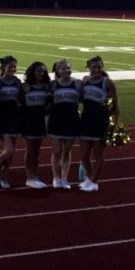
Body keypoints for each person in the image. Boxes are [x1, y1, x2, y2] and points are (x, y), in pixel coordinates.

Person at [79, 56, 118, 192]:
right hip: (86, 119)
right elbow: (81, 99)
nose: (97, 69)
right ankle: (89, 179)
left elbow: (115, 106)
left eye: (99, 67)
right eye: (94, 67)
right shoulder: (84, 81)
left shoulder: (107, 83)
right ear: (89, 68)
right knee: (84, 153)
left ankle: (94, 182)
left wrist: (114, 124)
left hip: (100, 120)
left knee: (97, 153)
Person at [47, 59, 81, 189]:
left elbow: (83, 98)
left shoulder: (78, 83)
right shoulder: (53, 84)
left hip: (72, 119)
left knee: (67, 151)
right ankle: (56, 178)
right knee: (57, 151)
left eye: (68, 68)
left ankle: (64, 178)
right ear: (57, 71)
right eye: (63, 69)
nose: (66, 71)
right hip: (57, 119)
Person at [0, 55, 22, 189]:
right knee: (9, 150)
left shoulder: (17, 82)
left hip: (14, 117)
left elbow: (20, 99)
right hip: (2, 117)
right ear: (4, 67)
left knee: (12, 151)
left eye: (14, 67)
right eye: (10, 67)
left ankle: (4, 176)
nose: (13, 69)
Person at [21, 62, 51, 188]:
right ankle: (30, 177)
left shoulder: (46, 87)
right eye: (38, 71)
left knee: (37, 150)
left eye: (43, 71)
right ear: (32, 72)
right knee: (30, 149)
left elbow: (48, 105)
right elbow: (20, 104)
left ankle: (35, 175)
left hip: (40, 120)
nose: (41, 73)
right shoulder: (26, 87)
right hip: (29, 119)